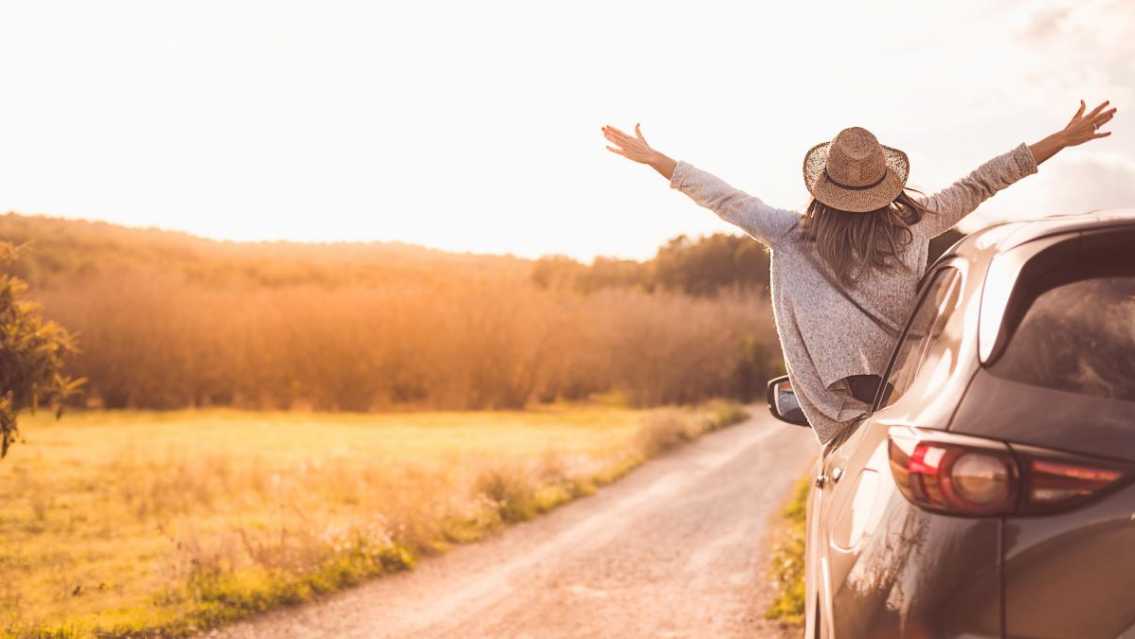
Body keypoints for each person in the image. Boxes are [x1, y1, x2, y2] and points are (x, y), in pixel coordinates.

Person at [601, 100, 1117, 445]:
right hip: (919, 407)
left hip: (850, 423)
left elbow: (724, 198)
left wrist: (657, 160)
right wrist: (1059, 139)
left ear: (824, 186)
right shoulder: (917, 225)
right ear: (885, 185)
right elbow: (986, 180)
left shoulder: (789, 234)